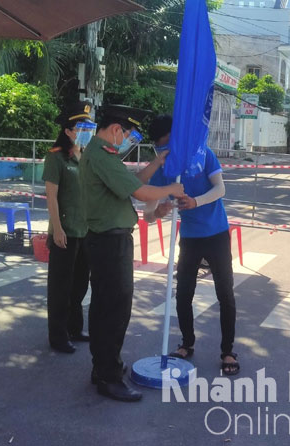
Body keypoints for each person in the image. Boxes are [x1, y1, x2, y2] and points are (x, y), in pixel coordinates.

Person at [79, 105, 184, 402]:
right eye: (126, 133)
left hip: (107, 241)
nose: (126, 139)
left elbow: (134, 182)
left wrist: (155, 162)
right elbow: (140, 193)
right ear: (115, 130)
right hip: (109, 243)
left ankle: (103, 368)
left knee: (105, 308)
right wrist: (172, 188)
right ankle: (109, 377)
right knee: (114, 310)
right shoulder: (102, 155)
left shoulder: (102, 155)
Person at [143, 114, 239, 376]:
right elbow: (147, 214)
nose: (164, 151)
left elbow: (220, 189)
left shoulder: (202, 154)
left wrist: (196, 201)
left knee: (225, 294)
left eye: (167, 145)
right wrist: (159, 213)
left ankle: (228, 350)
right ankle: (186, 343)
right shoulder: (164, 169)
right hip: (190, 238)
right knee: (184, 293)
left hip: (217, 233)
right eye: (159, 148)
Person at [43, 101, 94, 354]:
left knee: (80, 285)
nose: (86, 130)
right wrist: (57, 229)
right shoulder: (56, 157)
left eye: (88, 126)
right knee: (60, 287)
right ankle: (58, 335)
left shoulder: (83, 155)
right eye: (81, 127)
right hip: (65, 231)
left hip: (84, 231)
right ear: (68, 131)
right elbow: (51, 197)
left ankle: (75, 328)